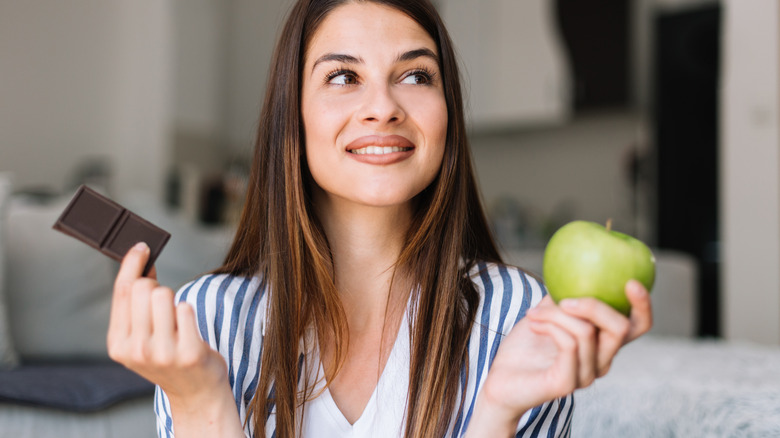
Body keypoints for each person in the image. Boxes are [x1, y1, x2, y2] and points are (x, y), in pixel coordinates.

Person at [107, 0, 653, 437]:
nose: (383, 106)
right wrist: (200, 402)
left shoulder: (519, 318)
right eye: (343, 77)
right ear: (291, 115)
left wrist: (499, 412)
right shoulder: (209, 319)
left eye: (416, 76)